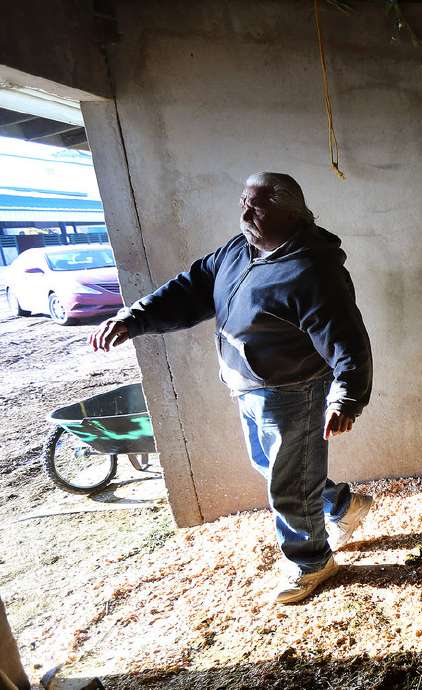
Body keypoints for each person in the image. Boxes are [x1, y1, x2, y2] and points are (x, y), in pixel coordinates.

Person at [89, 172, 374, 604]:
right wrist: (134, 318)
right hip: (249, 385)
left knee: (285, 483)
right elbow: (190, 288)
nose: (244, 212)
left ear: (290, 211)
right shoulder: (238, 251)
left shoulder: (312, 270)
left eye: (257, 206)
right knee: (272, 468)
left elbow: (348, 339)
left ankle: (311, 561)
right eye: (243, 200)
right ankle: (342, 506)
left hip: (294, 391)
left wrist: (347, 396)